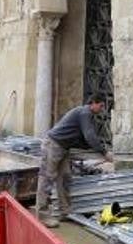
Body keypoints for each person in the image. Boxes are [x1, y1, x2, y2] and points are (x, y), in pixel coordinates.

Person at [35, 95, 115, 227]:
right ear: (93, 103)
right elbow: (89, 135)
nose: (102, 109)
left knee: (64, 178)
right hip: (53, 145)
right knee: (47, 179)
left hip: (63, 148)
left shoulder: (86, 114)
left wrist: (98, 150)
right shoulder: (85, 112)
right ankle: (42, 216)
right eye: (101, 106)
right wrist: (104, 152)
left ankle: (65, 212)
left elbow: (84, 138)